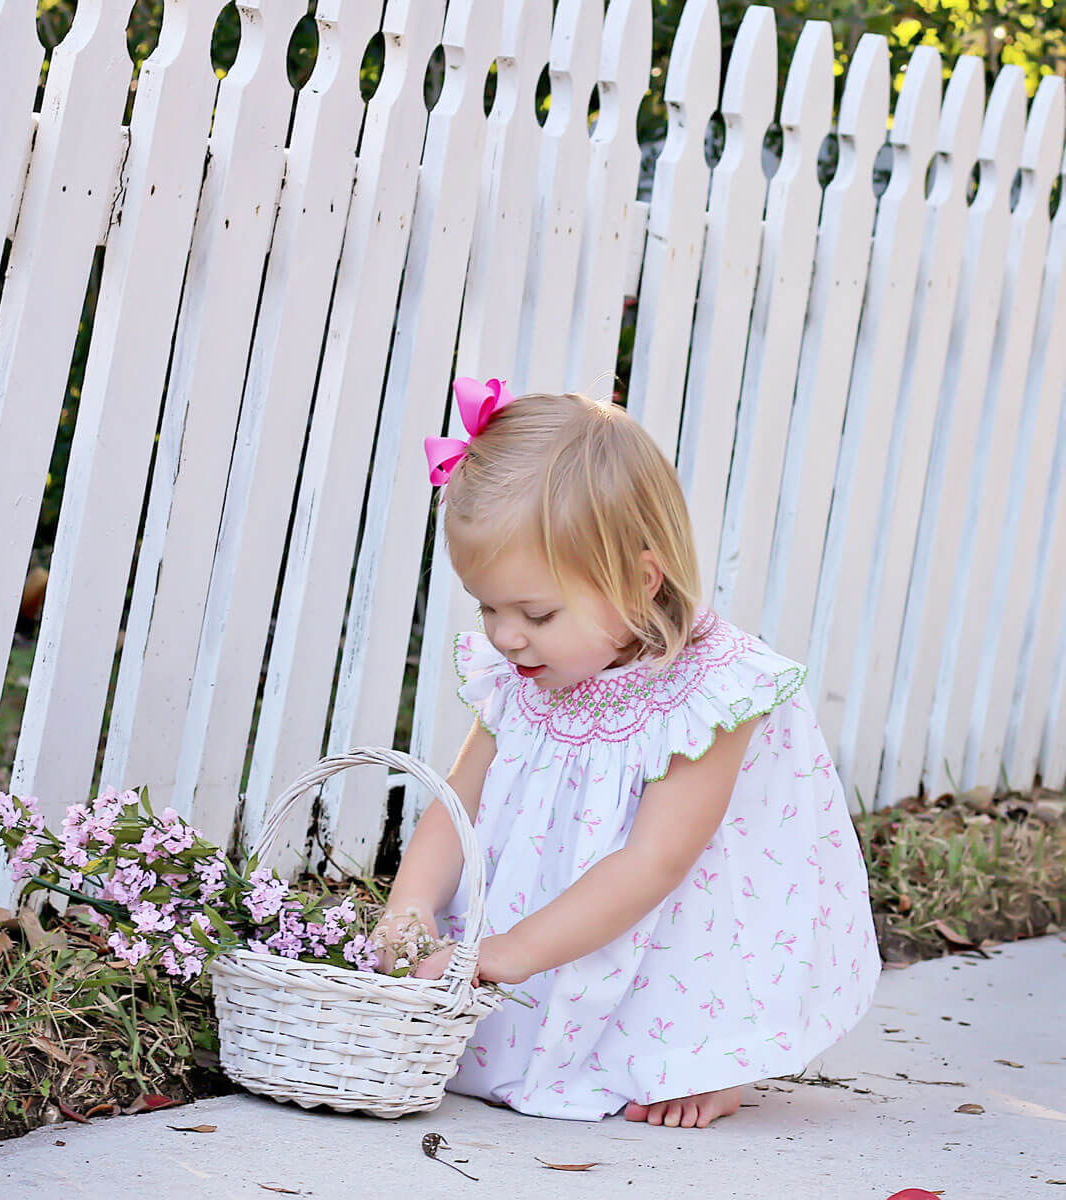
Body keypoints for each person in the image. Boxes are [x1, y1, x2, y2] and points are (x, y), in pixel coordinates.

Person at [376, 378, 880, 1127]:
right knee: (472, 1027)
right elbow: (460, 803)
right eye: (488, 607)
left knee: (685, 986)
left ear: (640, 582)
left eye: (536, 612)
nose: (506, 636)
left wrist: (507, 953)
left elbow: (654, 864)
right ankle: (519, 1031)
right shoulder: (521, 675)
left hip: (666, 931)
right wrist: (410, 904)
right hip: (533, 925)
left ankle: (702, 1059)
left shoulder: (708, 694)